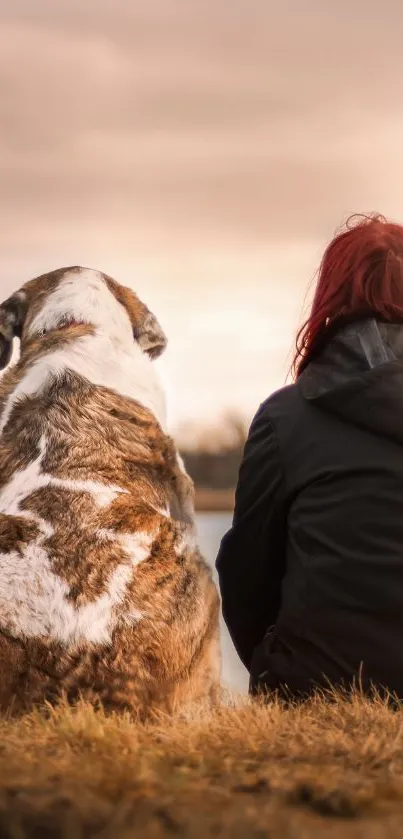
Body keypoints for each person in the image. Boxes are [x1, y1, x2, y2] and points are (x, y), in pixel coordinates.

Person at [216, 213, 403, 701]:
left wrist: (274, 666)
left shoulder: (287, 417)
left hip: (319, 685)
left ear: (332, 299)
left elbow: (246, 574)